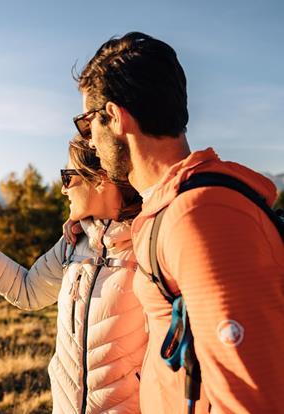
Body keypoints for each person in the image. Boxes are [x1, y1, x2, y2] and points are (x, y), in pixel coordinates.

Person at [73, 31, 284, 413]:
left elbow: (253, 399)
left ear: (116, 117)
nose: (88, 141)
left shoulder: (201, 217)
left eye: (88, 122)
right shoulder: (171, 207)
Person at [0, 134, 147, 414]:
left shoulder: (151, 246)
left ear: (101, 178)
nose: (63, 190)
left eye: (68, 177)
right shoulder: (74, 243)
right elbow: (28, 292)